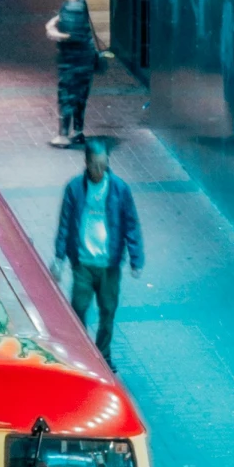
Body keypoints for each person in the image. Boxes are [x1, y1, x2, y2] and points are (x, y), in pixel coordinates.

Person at [52, 138, 143, 360]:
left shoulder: (119, 189)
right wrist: (59, 257)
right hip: (82, 262)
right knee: (78, 310)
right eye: (95, 165)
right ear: (86, 162)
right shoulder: (74, 188)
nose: (99, 170)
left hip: (108, 265)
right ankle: (81, 355)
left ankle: (103, 356)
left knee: (107, 311)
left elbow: (131, 224)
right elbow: (65, 223)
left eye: (103, 165)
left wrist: (136, 258)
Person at [46, 0, 105, 146]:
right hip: (86, 59)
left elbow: (71, 35)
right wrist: (56, 20)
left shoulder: (71, 6)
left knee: (66, 95)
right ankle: (78, 131)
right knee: (80, 97)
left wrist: (52, 31)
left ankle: (63, 136)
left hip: (73, 61)